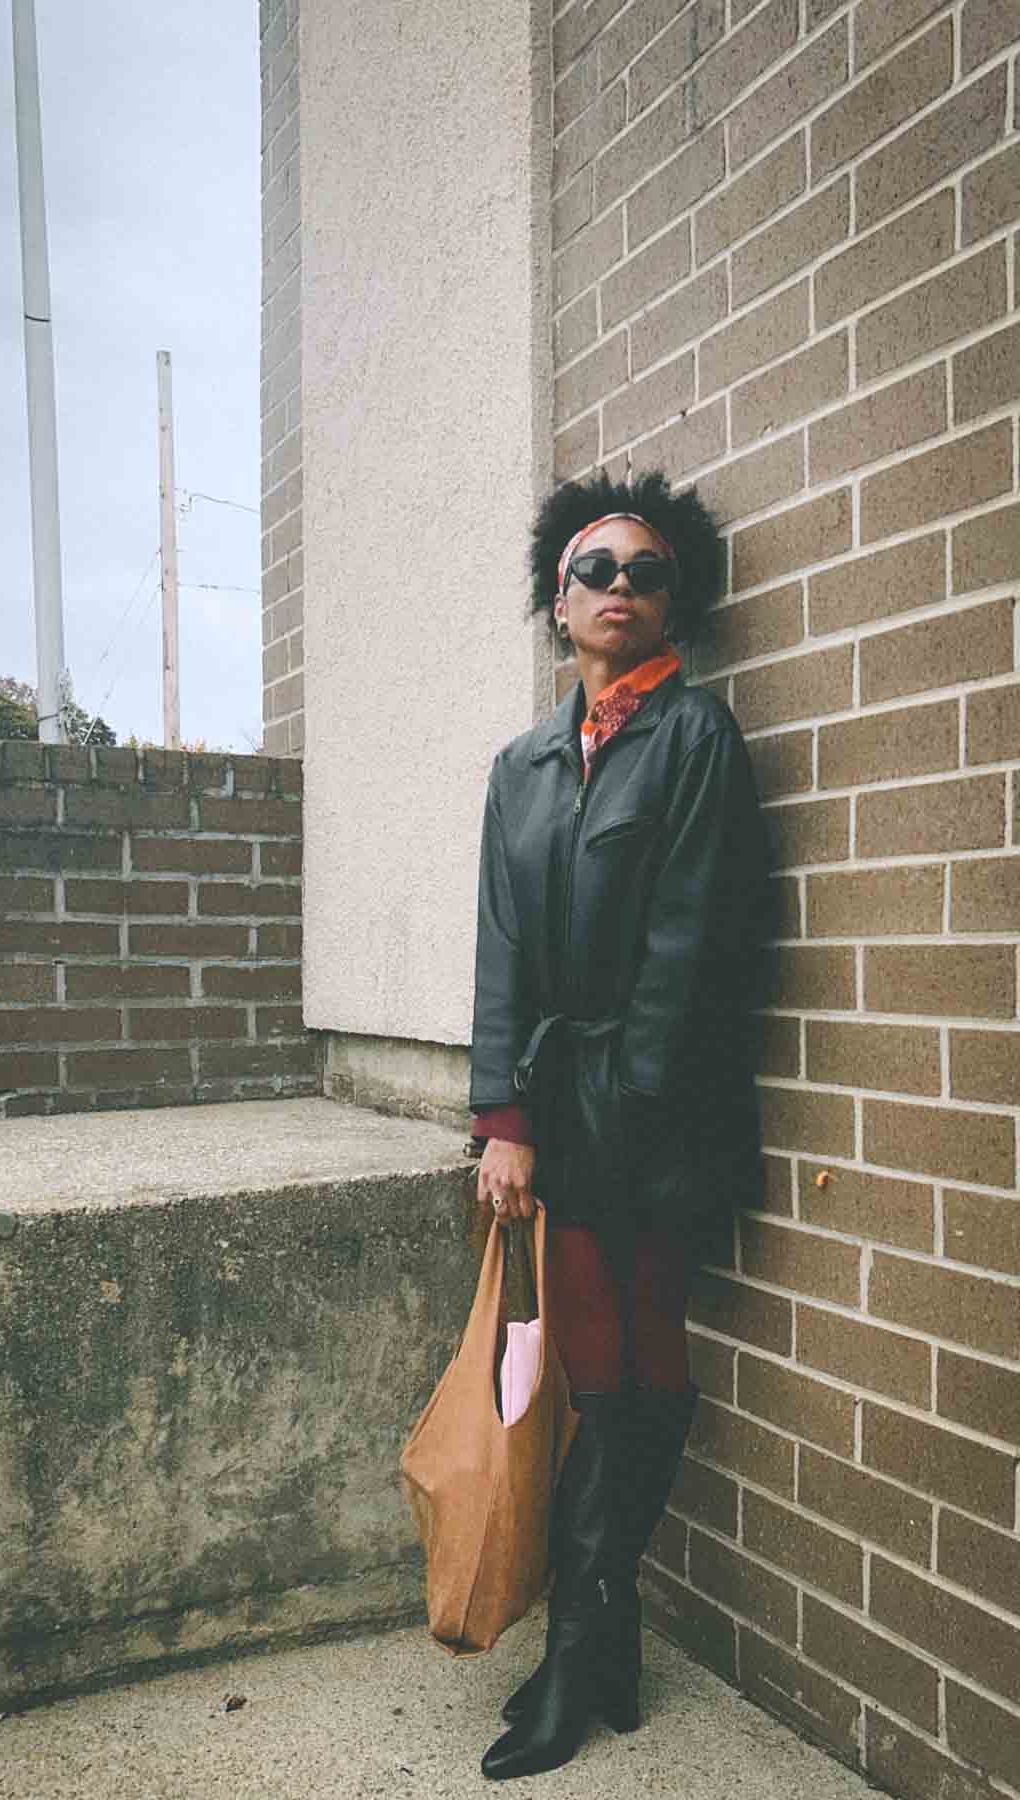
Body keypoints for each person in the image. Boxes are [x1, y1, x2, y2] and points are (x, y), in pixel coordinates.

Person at [469, 468, 768, 1781]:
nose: (621, 588)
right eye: (597, 568)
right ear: (558, 598)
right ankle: (609, 1639)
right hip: (564, 1107)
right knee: (600, 1373)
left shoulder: (697, 737)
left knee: (647, 1360)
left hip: (663, 1106)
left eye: (648, 573)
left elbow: (696, 939)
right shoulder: (522, 768)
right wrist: (506, 1117)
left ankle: (575, 1659)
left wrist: (628, 1112)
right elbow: (503, 952)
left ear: (672, 603)